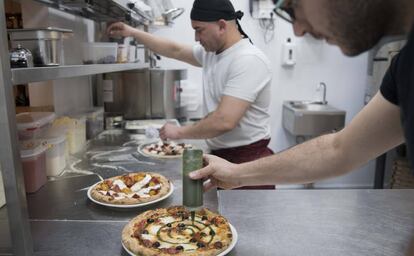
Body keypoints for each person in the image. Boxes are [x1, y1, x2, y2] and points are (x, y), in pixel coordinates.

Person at [189, 0, 414, 205]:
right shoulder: (406, 66)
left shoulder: (249, 58)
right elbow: (339, 149)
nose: (298, 30)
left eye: (294, 5)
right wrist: (235, 174)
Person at [108, 0, 274, 189]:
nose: (196, 37)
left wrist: (178, 132)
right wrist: (133, 32)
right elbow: (175, 50)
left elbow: (224, 120)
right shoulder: (213, 53)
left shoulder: (247, 59)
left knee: (244, 219)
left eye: (199, 29)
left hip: (247, 165)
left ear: (221, 26)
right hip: (221, 158)